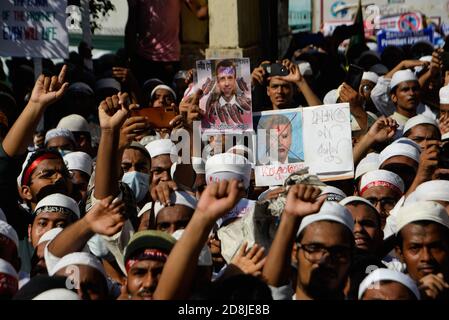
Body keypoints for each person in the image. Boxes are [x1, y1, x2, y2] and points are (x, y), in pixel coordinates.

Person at [125, 0, 208, 86]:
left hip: (167, 58)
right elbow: (131, 26)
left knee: (166, 96)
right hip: (144, 58)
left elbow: (200, 13)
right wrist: (130, 57)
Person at [395, 201, 449, 300]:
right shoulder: (386, 292)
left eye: (435, 247)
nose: (426, 257)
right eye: (415, 248)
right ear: (400, 253)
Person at [203, 59, 251, 126]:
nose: (226, 83)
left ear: (235, 79)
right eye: (222, 78)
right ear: (217, 81)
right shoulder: (210, 107)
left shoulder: (246, 104)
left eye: (230, 78)